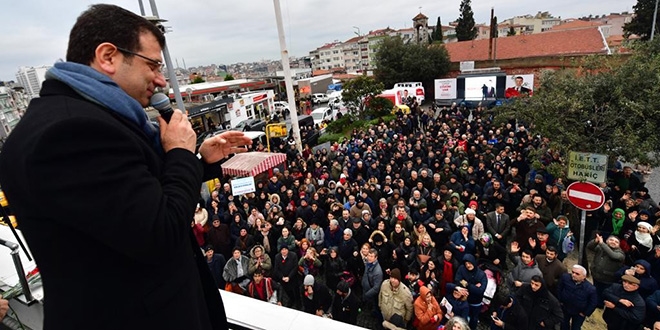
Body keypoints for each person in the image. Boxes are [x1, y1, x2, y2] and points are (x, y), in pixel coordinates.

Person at [0, 5, 254, 330]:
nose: (161, 79)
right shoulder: (70, 133)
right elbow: (158, 231)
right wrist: (178, 151)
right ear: (108, 56)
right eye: (153, 65)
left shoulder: (83, 119)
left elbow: (132, 194)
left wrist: (199, 161)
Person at [588, 234, 626, 307]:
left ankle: (600, 305)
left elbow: (613, 255)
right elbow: (590, 247)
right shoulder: (601, 247)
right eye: (611, 240)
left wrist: (602, 243)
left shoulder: (620, 254)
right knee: (596, 290)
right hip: (596, 275)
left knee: (603, 293)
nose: (613, 242)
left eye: (616, 242)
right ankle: (593, 302)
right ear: (607, 241)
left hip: (607, 279)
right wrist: (595, 241)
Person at [557, 265, 597, 330]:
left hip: (579, 313)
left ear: (584, 276)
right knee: (563, 325)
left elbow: (593, 303)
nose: (573, 275)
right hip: (565, 308)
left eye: (577, 274)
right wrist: (560, 301)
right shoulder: (565, 278)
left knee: (576, 328)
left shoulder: (590, 289)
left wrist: (585, 313)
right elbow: (559, 288)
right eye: (573, 272)